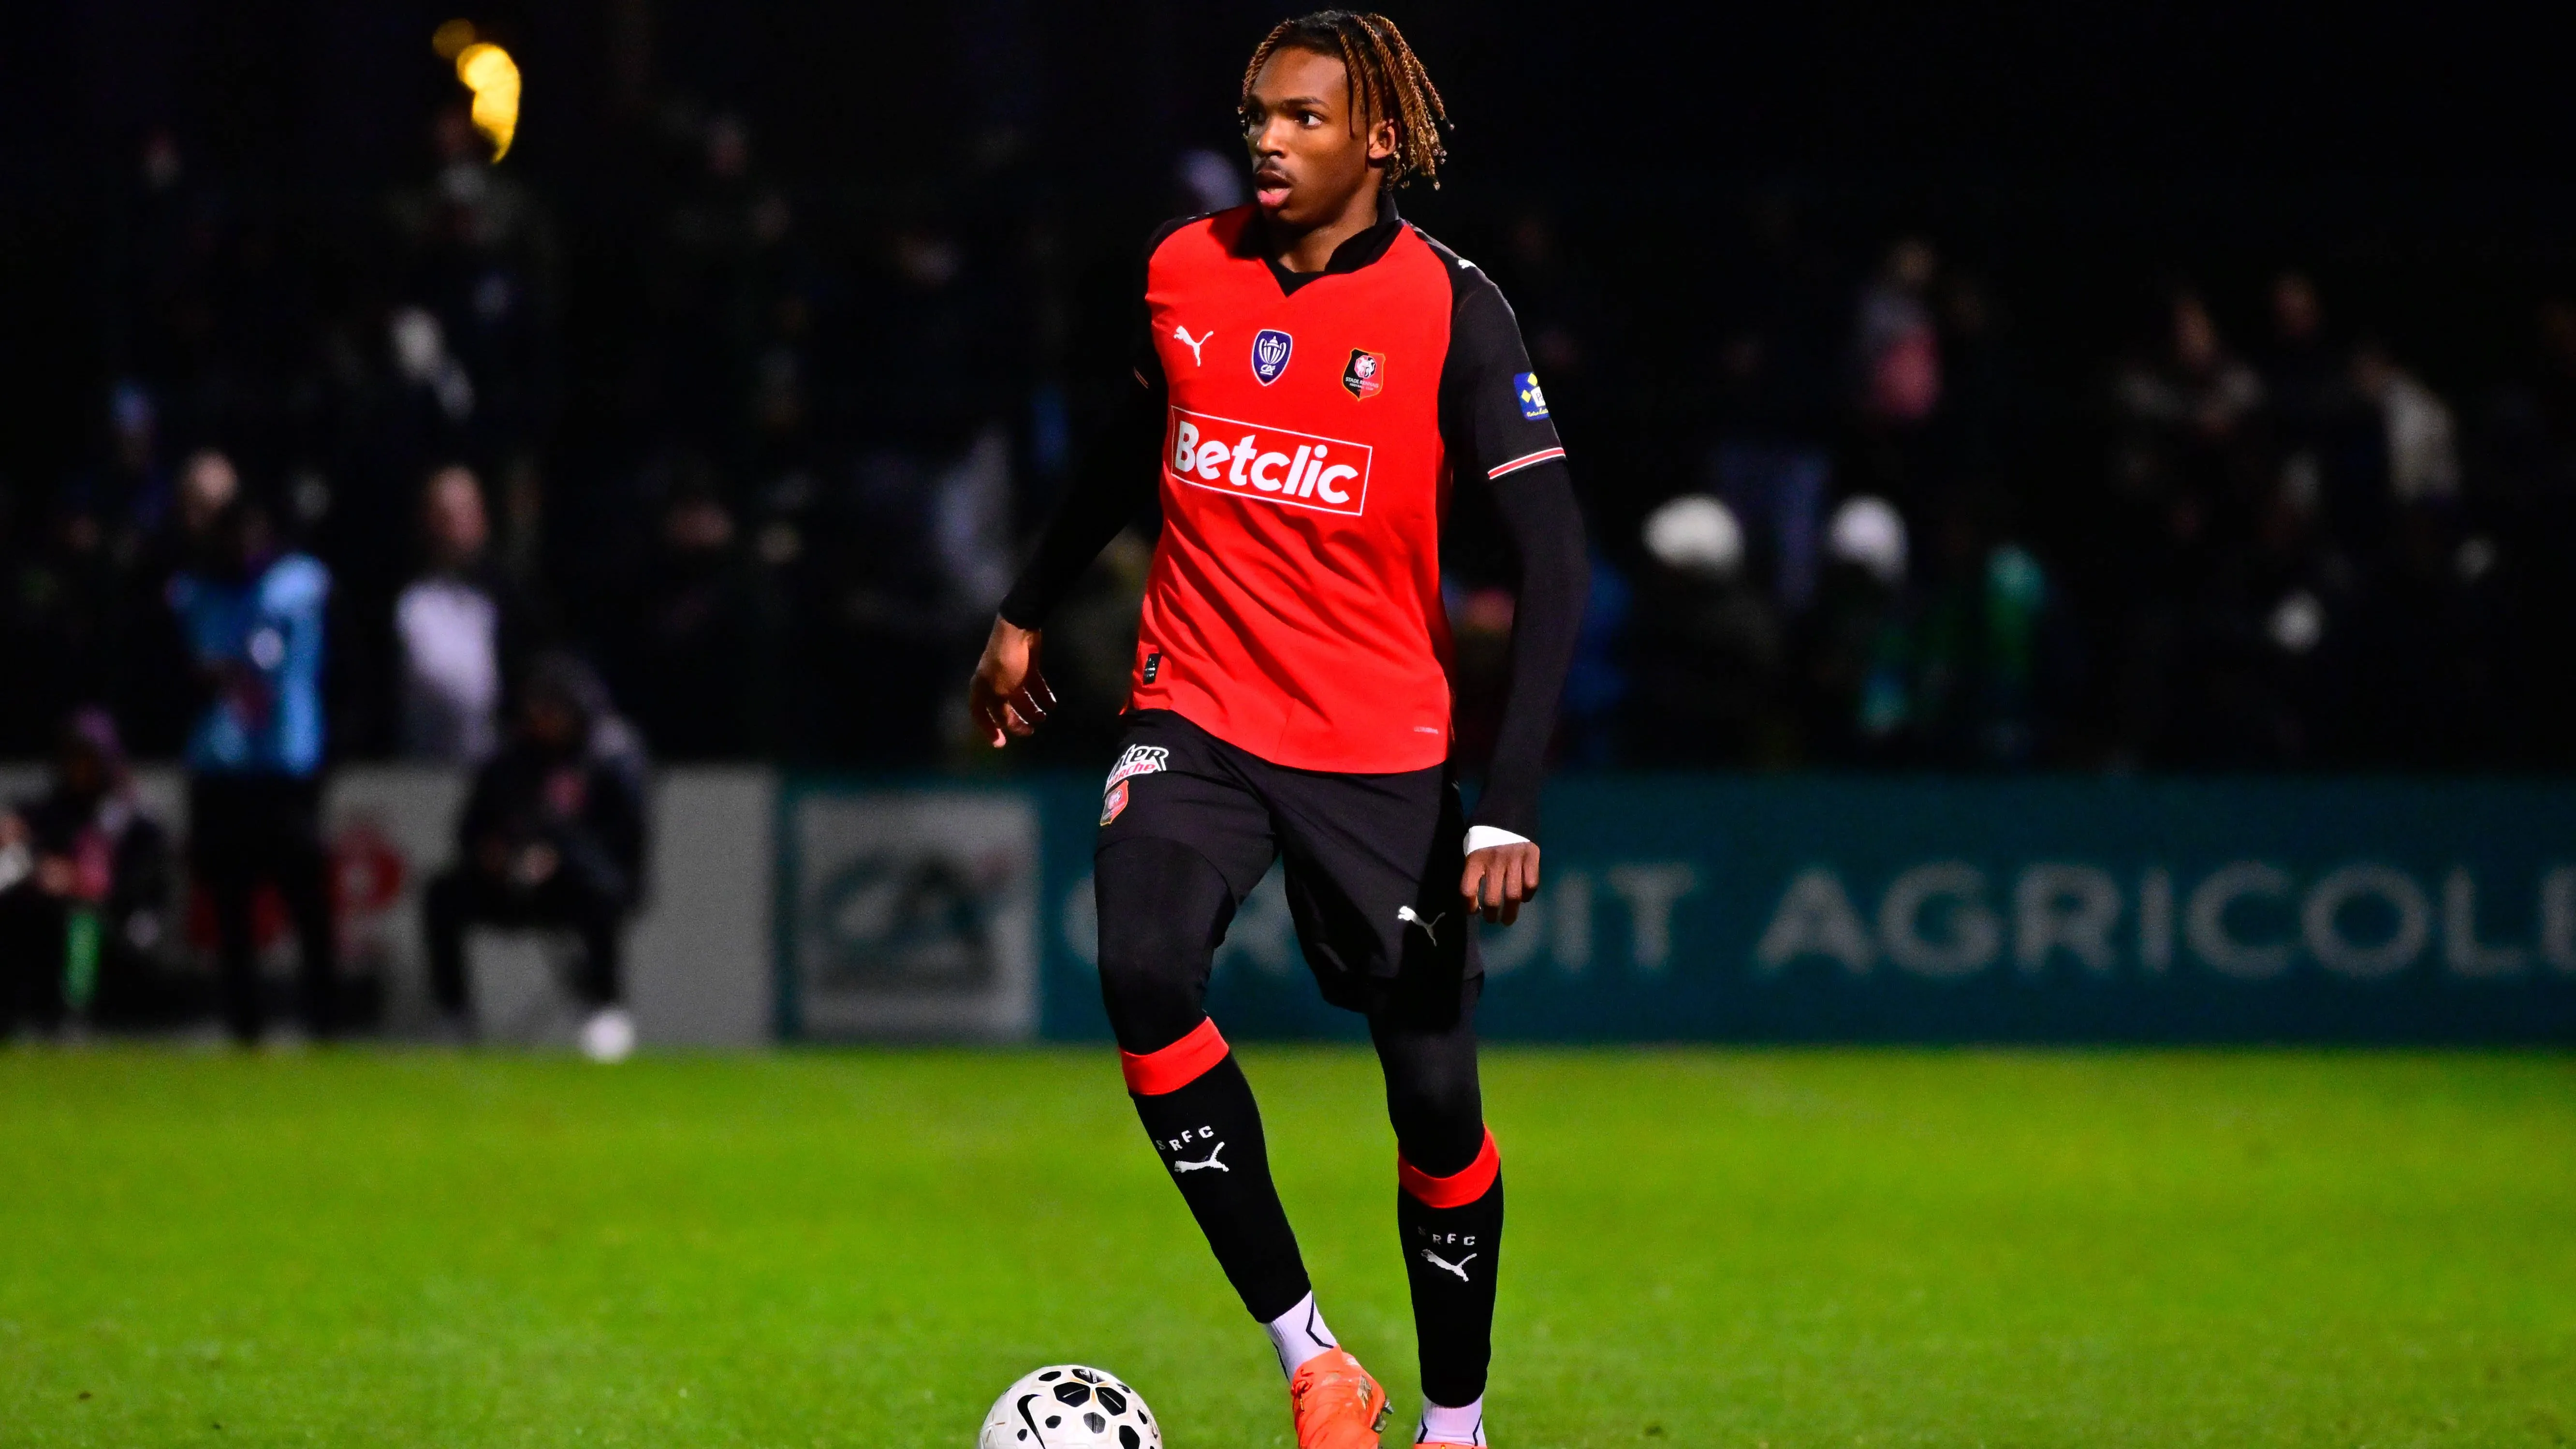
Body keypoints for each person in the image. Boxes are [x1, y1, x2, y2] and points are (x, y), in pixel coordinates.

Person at [966, 15, 1586, 1449]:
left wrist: (1514, 797)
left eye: (1305, 117)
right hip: (1199, 712)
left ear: (1379, 139)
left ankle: (1453, 1424)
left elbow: (1553, 558)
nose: (1270, 138)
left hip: (1379, 756)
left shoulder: (1454, 309)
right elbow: (1137, 442)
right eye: (1258, 113)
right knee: (1138, 965)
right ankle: (1311, 1355)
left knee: (1434, 1106)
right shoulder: (1187, 268)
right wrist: (1024, 611)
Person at [169, 490, 337, 1044]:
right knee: (230, 903)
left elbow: (338, 672)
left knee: (307, 899)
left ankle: (324, 1019)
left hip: (285, 768)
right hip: (222, 768)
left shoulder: (302, 588)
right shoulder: (194, 595)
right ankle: (245, 1026)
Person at [423, 654, 647, 1062]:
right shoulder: (510, 759)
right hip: (509, 884)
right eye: (537, 706)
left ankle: (605, 1008)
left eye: (553, 707)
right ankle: (453, 1013)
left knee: (599, 900)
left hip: (576, 888)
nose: (542, 717)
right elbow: (471, 828)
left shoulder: (609, 758)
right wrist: (490, 854)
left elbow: (621, 847)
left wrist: (559, 856)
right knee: (442, 894)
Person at [0, 709, 175, 1037]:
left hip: (121, 930)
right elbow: (28, 844)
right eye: (71, 756)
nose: (78, 766)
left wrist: (76, 881)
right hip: (47, 930)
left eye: (87, 757)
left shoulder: (132, 819)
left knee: (79, 917)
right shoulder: (51, 811)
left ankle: (73, 1019)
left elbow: (128, 888)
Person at [395, 464, 531, 763]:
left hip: (494, 762)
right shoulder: (409, 600)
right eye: (445, 517)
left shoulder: (508, 598)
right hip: (418, 766)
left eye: (466, 515)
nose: (456, 529)